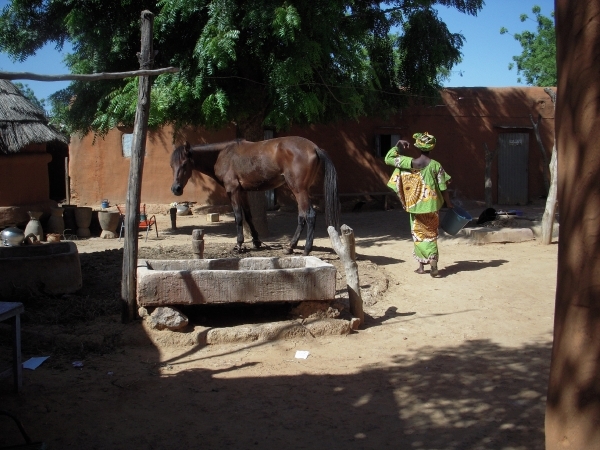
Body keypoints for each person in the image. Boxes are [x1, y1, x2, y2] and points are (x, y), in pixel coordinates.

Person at [385, 132, 453, 277]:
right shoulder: (436, 166)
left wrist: (398, 146)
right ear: (431, 147)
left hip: (415, 206)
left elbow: (388, 159)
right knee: (431, 234)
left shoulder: (410, 163)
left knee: (418, 235)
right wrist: (449, 204)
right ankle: (433, 260)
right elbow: (443, 187)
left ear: (418, 147)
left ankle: (421, 267)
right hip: (432, 206)